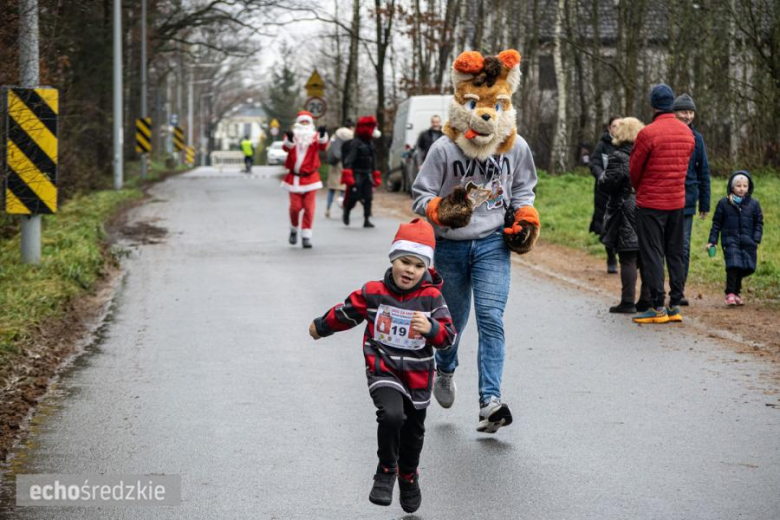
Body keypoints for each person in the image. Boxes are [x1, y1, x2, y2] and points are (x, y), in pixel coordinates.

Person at [412, 49, 539, 433]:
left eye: (496, 105)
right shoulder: (443, 149)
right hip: (449, 246)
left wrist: (526, 218)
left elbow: (524, 193)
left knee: (491, 319)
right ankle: (445, 369)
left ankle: (490, 402)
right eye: (474, 103)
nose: (486, 114)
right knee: (452, 323)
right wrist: (438, 209)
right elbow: (420, 195)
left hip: (492, 245)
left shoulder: (516, 148)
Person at [309, 219, 456, 514]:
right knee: (390, 415)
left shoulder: (431, 298)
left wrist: (430, 328)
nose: (409, 270)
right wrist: (321, 326)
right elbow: (347, 312)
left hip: (417, 377)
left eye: (417, 265)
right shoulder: (374, 292)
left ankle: (408, 475)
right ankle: (387, 469)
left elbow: (448, 337)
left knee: (413, 433)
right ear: (393, 259)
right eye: (404, 261)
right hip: (383, 368)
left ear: (426, 268)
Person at [629, 84, 695, 324]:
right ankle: (675, 305)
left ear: (654, 105)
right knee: (675, 252)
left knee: (653, 253)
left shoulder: (647, 133)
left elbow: (634, 170)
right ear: (672, 104)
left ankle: (657, 306)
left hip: (651, 203)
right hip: (677, 201)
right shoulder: (687, 133)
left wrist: (640, 188)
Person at [598, 117, 651, 313]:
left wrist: (603, 177)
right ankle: (646, 299)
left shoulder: (618, 157)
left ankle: (627, 301)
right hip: (646, 206)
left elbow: (607, 184)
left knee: (628, 256)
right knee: (645, 256)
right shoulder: (648, 155)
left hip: (624, 206)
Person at [673, 93, 711, 306]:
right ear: (674, 113)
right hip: (665, 198)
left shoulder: (698, 139)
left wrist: (704, 203)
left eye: (690, 112)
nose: (687, 116)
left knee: (683, 247)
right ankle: (656, 288)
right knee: (663, 246)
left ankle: (678, 290)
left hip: (688, 200)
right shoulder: (667, 134)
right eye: (683, 112)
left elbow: (704, 171)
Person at [706, 171, 763, 306]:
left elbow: (759, 222)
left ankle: (736, 293)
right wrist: (712, 241)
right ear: (732, 187)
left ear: (749, 187)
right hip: (730, 240)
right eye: (738, 186)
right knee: (733, 265)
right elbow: (716, 224)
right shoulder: (724, 203)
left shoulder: (754, 204)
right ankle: (730, 294)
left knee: (748, 267)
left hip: (748, 241)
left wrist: (756, 238)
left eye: (745, 186)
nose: (742, 188)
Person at [280, 111, 329, 248]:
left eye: (307, 122)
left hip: (311, 178)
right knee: (295, 208)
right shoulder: (292, 136)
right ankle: (294, 229)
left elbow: (323, 146)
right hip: (294, 178)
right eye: (302, 122)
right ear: (298, 123)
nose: (305, 124)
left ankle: (306, 236)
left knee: (309, 208)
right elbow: (285, 148)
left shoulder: (315, 137)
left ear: (311, 124)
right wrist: (289, 139)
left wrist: (323, 134)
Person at [590, 117, 621, 274]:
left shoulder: (628, 144)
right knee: (606, 226)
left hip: (623, 192)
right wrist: (601, 176)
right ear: (609, 128)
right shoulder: (602, 144)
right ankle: (611, 256)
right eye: (614, 126)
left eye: (620, 125)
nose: (617, 128)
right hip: (604, 193)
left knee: (622, 225)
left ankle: (622, 254)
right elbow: (594, 163)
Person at [341, 116, 382, 228]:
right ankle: (347, 210)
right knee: (354, 196)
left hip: (367, 174)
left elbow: (373, 160)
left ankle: (366, 219)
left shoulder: (371, 143)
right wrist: (349, 174)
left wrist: (375, 173)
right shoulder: (355, 143)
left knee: (368, 197)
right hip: (357, 174)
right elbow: (349, 160)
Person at [324, 119, 355, 218]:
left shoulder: (335, 134)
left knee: (332, 188)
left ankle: (328, 209)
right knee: (343, 188)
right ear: (351, 127)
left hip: (333, 162)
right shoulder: (350, 134)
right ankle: (343, 208)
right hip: (343, 162)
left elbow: (327, 148)